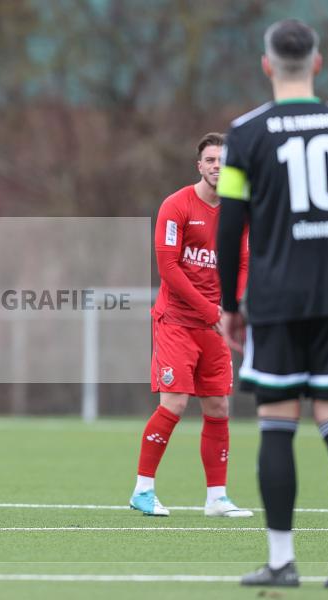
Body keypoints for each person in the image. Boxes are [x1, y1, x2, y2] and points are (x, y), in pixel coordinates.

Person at [216, 19, 328, 588]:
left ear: (267, 65)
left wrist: (229, 302)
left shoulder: (245, 133)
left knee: (276, 423)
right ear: (317, 63)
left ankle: (280, 560)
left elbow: (230, 226)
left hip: (275, 298)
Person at [130, 133, 252, 519]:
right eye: (211, 160)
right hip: (177, 322)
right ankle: (143, 490)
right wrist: (211, 310)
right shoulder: (177, 206)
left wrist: (229, 308)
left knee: (218, 404)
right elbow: (168, 267)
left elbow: (244, 263)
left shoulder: (238, 210)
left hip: (214, 323)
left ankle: (217, 498)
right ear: (199, 165)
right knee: (176, 402)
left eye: (224, 161)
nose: (217, 166)